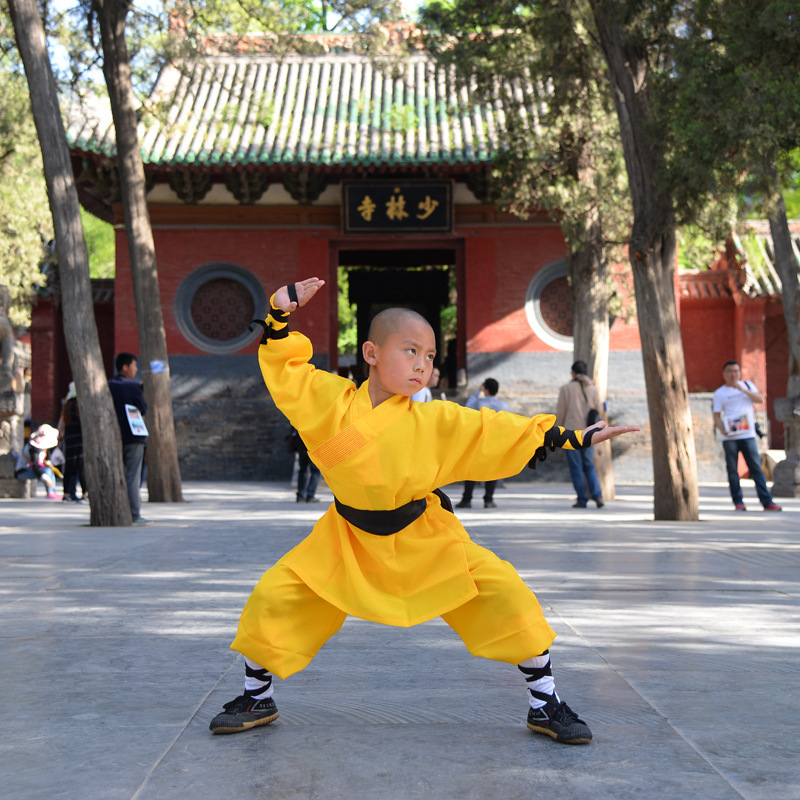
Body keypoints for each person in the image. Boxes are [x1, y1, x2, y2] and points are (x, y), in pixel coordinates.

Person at [208, 277, 639, 745]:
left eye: (430, 357)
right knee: (274, 597)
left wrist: (570, 436)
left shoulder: (434, 419)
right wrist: (277, 315)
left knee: (506, 594)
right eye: (410, 351)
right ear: (371, 354)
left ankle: (545, 703)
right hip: (346, 537)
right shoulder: (329, 402)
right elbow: (287, 371)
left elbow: (490, 430)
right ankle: (257, 696)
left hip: (422, 534)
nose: (423, 366)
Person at [712, 360, 781, 512]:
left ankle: (767, 502)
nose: (733, 374)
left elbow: (760, 399)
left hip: (747, 435)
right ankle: (738, 502)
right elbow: (717, 415)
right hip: (730, 437)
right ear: (724, 374)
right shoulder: (720, 393)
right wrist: (722, 429)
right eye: (730, 371)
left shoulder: (748, 386)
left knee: (756, 468)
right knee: (732, 470)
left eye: (736, 371)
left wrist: (742, 390)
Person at [556, 361, 604, 509]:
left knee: (576, 467)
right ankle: (597, 495)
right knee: (589, 465)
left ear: (573, 373)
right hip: (589, 433)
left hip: (571, 434)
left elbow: (560, 412)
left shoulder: (566, 389)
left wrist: (556, 433)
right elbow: (600, 412)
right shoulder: (593, 390)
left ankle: (582, 499)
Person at [108, 353, 150, 524]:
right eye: (134, 366)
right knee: (133, 475)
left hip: (111, 436)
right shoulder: (133, 386)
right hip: (133, 435)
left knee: (115, 473)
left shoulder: (108, 385)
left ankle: (114, 509)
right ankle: (134, 513)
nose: (136, 369)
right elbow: (143, 408)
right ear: (124, 367)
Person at [456, 378, 509, 509]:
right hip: (495, 441)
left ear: (485, 389)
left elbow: (466, 409)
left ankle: (467, 499)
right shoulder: (503, 406)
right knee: (493, 470)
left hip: (478, 440)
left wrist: (476, 393)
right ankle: (489, 499)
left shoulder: (478, 403)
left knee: (471, 470)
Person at [58, 382, 87, 503]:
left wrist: (59, 438)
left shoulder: (67, 405)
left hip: (70, 440)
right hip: (81, 440)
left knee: (69, 467)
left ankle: (67, 493)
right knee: (82, 467)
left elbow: (61, 424)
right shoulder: (82, 404)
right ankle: (85, 494)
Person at [14, 424, 61, 499]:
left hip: (34, 469)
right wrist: (46, 478)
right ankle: (50, 492)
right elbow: (35, 465)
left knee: (49, 469)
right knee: (47, 471)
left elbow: (47, 458)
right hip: (23, 471)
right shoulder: (32, 448)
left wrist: (48, 463)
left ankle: (53, 491)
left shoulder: (43, 448)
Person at [291, 427, 321, 503]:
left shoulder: (300, 416)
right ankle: (310, 495)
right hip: (312, 442)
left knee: (303, 469)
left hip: (301, 441)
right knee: (315, 471)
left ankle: (301, 495)